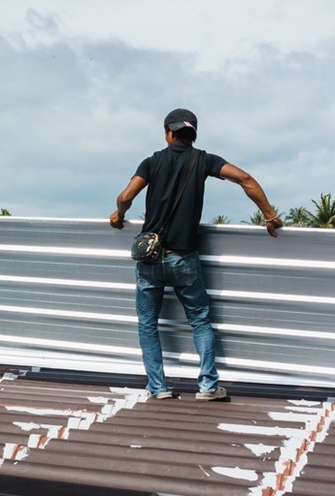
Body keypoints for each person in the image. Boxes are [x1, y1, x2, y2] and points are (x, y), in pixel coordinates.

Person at [110, 108, 283, 401]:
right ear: (193, 134)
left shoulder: (152, 162)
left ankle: (158, 388)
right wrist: (269, 215)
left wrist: (119, 214)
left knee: (148, 324)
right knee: (199, 320)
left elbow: (126, 196)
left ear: (168, 133)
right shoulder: (204, 160)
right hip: (184, 258)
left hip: (150, 258)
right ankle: (207, 387)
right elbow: (245, 178)